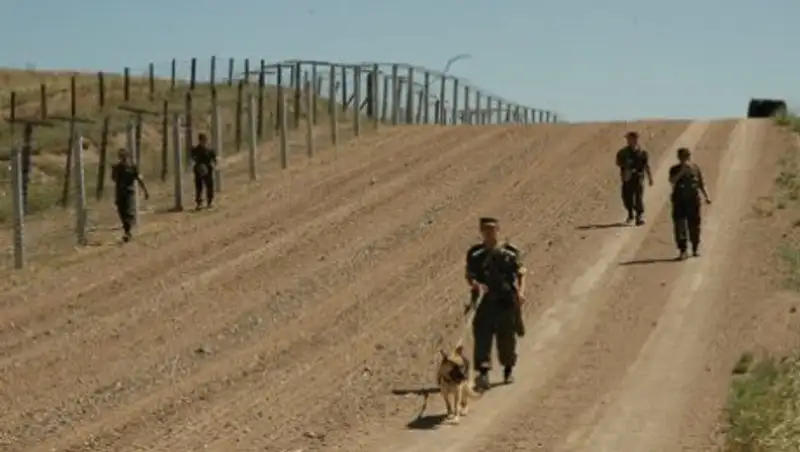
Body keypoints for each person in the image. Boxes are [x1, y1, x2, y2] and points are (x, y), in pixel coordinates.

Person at [464, 217, 527, 392]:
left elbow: (521, 273)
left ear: (498, 229)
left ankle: (508, 369)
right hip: (484, 302)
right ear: (481, 231)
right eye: (485, 229)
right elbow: (469, 275)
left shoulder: (510, 252)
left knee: (507, 338)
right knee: (482, 338)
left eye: (492, 228)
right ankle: (483, 373)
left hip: (505, 301)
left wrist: (521, 292)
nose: (489, 232)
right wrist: (476, 285)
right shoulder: (475, 254)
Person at [669, 147, 712, 260]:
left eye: (687, 156)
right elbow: (672, 181)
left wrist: (707, 196)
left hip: (693, 201)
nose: (685, 159)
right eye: (682, 157)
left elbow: (701, 183)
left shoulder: (695, 168)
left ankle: (695, 248)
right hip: (679, 201)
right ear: (679, 158)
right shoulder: (674, 169)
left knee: (694, 225)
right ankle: (683, 250)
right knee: (680, 226)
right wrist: (682, 171)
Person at [110, 148, 149, 242]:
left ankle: (127, 233)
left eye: (124, 156)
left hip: (129, 193)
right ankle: (127, 231)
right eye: (121, 156)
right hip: (120, 193)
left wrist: (145, 190)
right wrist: (114, 171)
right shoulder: (117, 168)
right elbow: (113, 178)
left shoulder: (132, 167)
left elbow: (139, 179)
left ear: (127, 157)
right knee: (121, 212)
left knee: (128, 212)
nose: (122, 158)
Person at [615, 131, 654, 225]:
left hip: (638, 177)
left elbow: (646, 166)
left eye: (631, 139)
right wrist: (625, 168)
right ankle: (630, 213)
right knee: (626, 197)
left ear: (636, 140)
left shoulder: (642, 153)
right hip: (627, 178)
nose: (629, 141)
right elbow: (618, 163)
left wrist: (650, 177)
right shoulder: (623, 153)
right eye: (628, 139)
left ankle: (639, 216)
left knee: (638, 197)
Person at [189, 132, 217, 210]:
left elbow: (214, 159)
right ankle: (199, 203)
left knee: (210, 186)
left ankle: (209, 202)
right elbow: (193, 158)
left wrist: (214, 163)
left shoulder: (209, 150)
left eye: (205, 140)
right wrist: (198, 165)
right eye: (203, 140)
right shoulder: (195, 150)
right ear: (200, 140)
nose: (205, 142)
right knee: (199, 187)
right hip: (199, 170)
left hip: (208, 170)